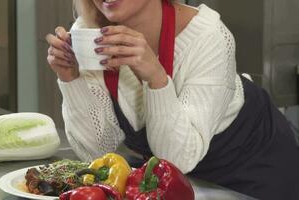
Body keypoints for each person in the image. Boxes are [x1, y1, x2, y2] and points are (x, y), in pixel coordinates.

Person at [45, 0, 299, 199]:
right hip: (177, 180)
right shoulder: (88, 34)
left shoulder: (208, 36)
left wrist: (156, 77)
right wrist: (72, 79)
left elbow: (179, 159)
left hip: (252, 164)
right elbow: (95, 152)